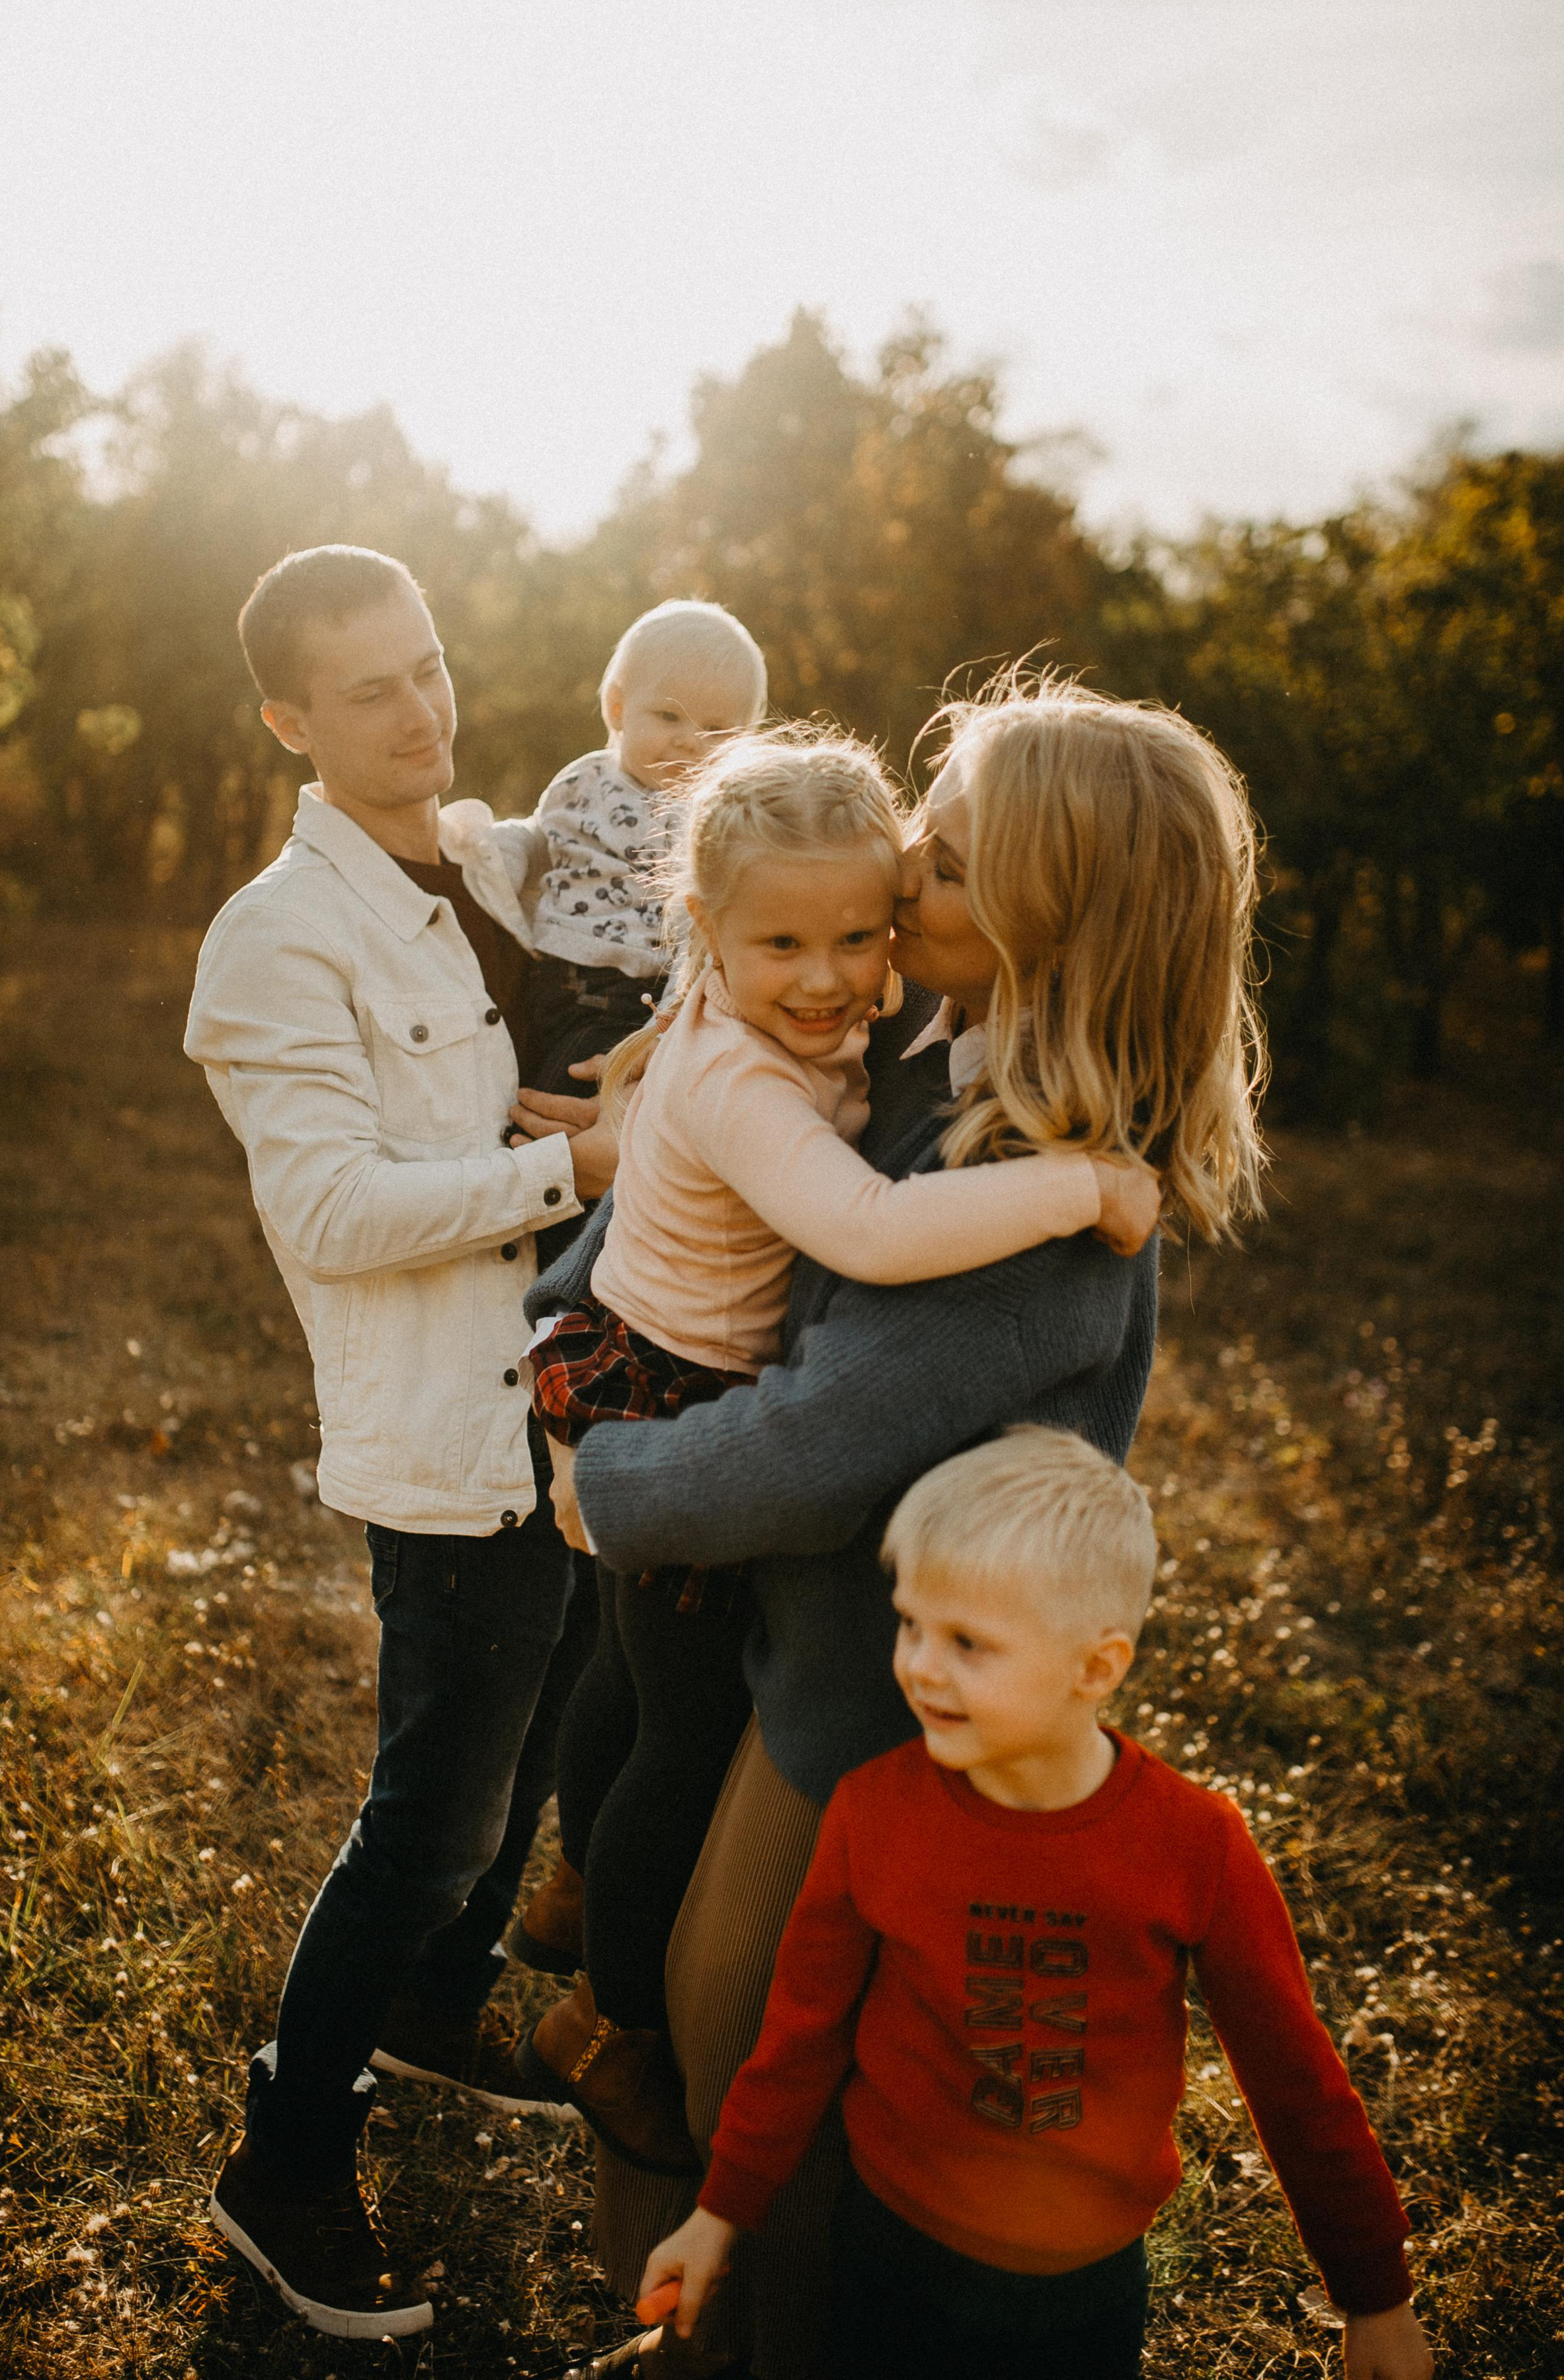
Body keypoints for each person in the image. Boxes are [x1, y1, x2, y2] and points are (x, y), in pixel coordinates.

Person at [530, 669, 1269, 2380]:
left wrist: (610, 1481)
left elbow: (818, 1439)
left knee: (749, 2066)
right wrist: (571, 1333)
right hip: (773, 1629)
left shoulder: (1044, 1192)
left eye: (946, 857)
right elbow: (692, 1202)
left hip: (866, 1695)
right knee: (678, 1990)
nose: (905, 865)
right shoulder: (911, 1045)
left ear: (1052, 918)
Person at [183, 545, 616, 2342]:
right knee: (431, 1817)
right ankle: (282, 2164)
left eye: (428, 667)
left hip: (596, 1410)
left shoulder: (510, 859)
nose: (421, 710)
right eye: (369, 689)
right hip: (455, 1436)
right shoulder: (278, 937)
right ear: (289, 717)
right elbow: (336, 1210)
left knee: (532, 1770)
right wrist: (567, 1166)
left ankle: (439, 2005)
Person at [640, 1428, 1432, 2380]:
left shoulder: (1194, 1847)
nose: (922, 1667)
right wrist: (720, 2213)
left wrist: (1376, 2294)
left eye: (968, 1642)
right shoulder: (875, 1810)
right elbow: (800, 2036)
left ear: (1096, 1667)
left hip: (1083, 2290)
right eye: (912, 1624)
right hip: (891, 2252)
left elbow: (1295, 2076)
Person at [495, 599, 770, 1102]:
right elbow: (546, 839)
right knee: (526, 1077)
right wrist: (499, 853)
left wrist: (672, 1017)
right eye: (669, 716)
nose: (690, 742)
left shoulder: (715, 817)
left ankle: (561, 1166)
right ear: (618, 709)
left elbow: (700, 922)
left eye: (715, 730)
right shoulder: (586, 779)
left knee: (581, 1088)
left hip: (636, 995)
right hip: (555, 973)